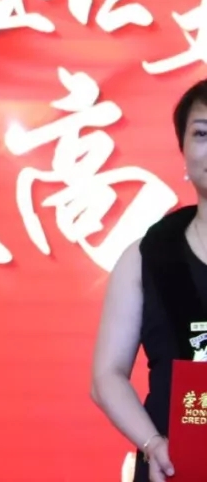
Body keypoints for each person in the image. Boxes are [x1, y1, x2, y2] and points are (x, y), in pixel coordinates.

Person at [91, 78, 207, 482]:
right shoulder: (147, 257)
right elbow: (106, 375)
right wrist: (152, 443)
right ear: (183, 149)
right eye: (202, 134)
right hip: (176, 466)